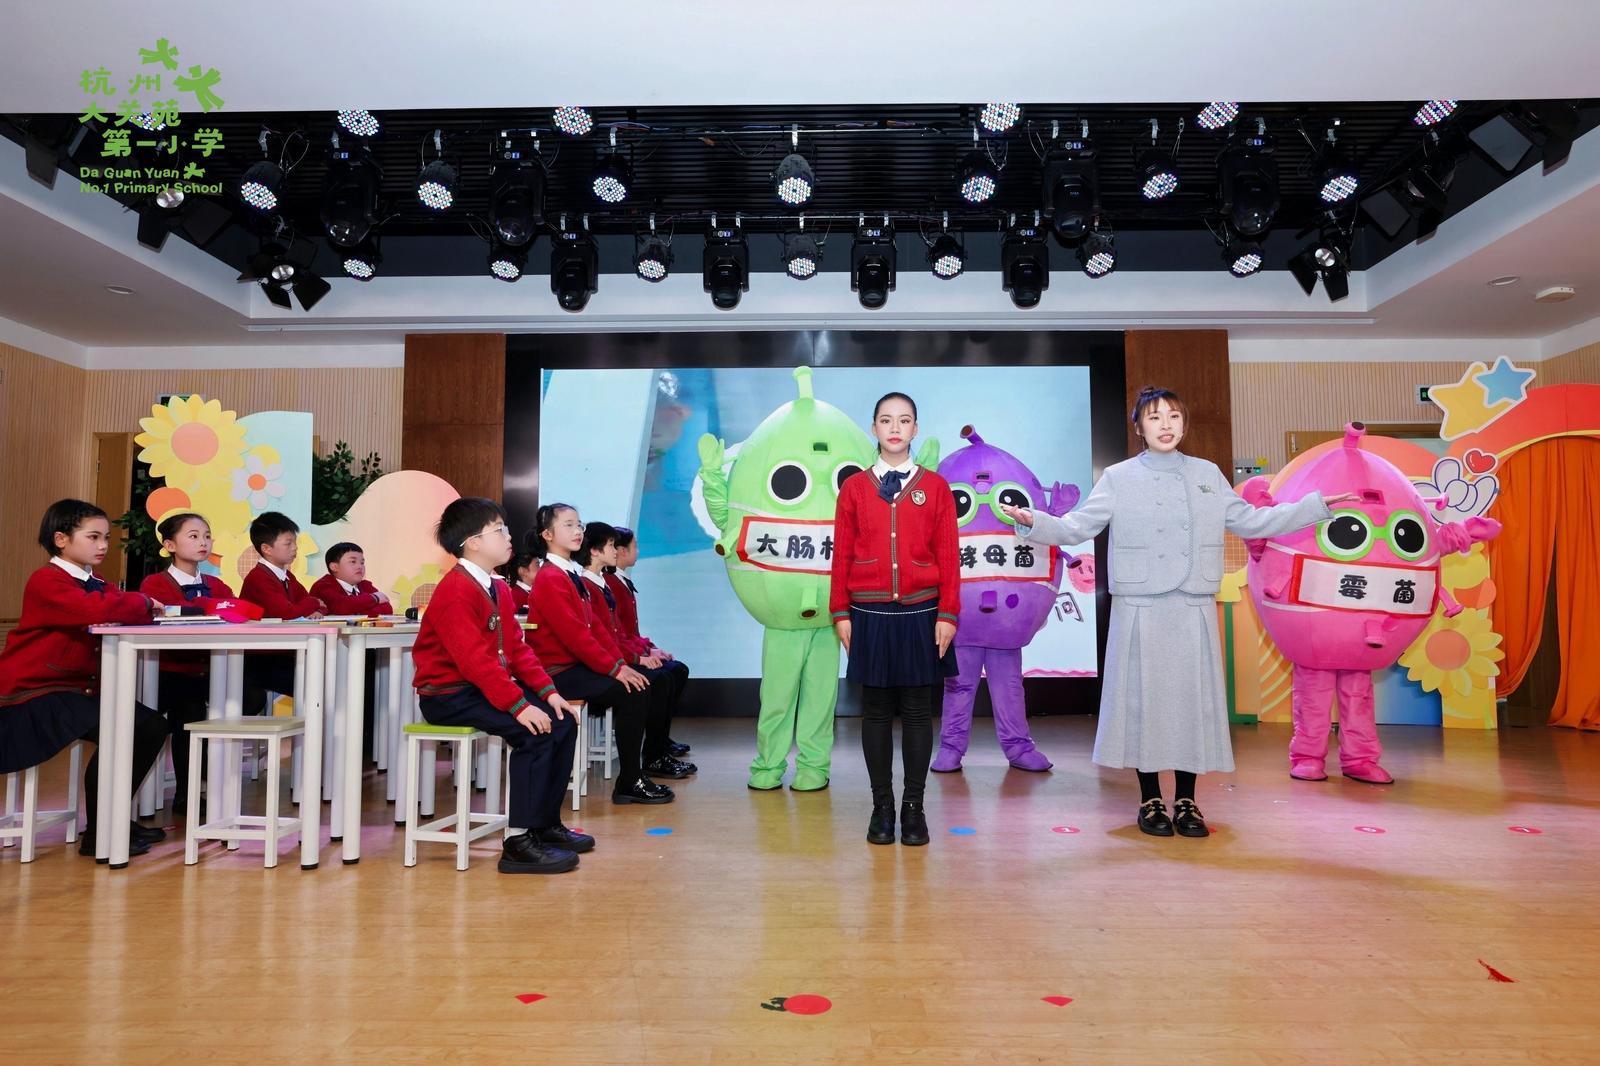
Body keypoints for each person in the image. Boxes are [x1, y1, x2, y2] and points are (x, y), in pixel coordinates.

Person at [1003, 386, 1355, 838]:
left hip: (1192, 604)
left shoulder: (1206, 473)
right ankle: (1149, 799)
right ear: (1139, 427)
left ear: (1184, 425)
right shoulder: (1118, 477)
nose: (1165, 425)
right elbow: (1077, 527)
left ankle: (1187, 800)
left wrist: (1315, 507)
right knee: (1142, 704)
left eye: (1173, 416)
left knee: (1192, 704)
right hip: (1139, 605)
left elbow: (1252, 521)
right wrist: (1034, 521)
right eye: (1154, 417)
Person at [411, 497, 589, 874]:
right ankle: (518, 841)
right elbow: (474, 661)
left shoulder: (497, 587)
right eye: (499, 530)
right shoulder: (456, 590)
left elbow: (519, 651)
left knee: (562, 720)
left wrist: (549, 694)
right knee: (534, 732)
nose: (509, 537)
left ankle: (544, 824)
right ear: (473, 542)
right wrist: (520, 706)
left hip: (477, 688)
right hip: (448, 695)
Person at [0, 499, 168, 859]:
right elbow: (100, 608)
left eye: (106, 537)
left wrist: (135, 604)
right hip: (34, 694)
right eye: (93, 537)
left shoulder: (94, 580)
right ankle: (100, 832)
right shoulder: (47, 580)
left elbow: (118, 603)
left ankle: (112, 819)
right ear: (61, 539)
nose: (103, 545)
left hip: (75, 690)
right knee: (128, 728)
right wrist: (141, 602)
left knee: (150, 725)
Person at [830, 392, 960, 847]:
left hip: (923, 613)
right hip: (868, 613)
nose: (895, 428)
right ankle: (881, 807)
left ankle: (914, 808)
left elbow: (949, 555)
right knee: (876, 713)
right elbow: (841, 555)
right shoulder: (854, 488)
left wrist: (948, 613)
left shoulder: (936, 487)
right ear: (874, 428)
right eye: (886, 420)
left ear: (915, 429)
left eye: (904, 421)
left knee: (919, 713)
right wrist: (840, 611)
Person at [526, 503, 669, 805]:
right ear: (547, 534)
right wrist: (617, 669)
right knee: (634, 690)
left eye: (579, 524)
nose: (577, 530)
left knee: (637, 684)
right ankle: (630, 780)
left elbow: (597, 631)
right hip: (557, 673)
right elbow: (576, 636)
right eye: (568, 525)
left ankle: (632, 777)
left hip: (574, 666)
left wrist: (620, 664)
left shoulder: (569, 574)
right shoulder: (552, 577)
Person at [138, 512, 261, 812]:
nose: (203, 542)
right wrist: (206, 609)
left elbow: (237, 611)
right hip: (169, 670)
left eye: (207, 536)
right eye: (193, 536)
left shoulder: (216, 584)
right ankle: (188, 793)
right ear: (169, 545)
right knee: (189, 709)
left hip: (210, 670)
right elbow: (162, 615)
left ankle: (217, 778)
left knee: (251, 696)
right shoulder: (155, 583)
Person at [578, 522, 692, 778]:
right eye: (611, 545)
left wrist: (646, 650)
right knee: (658, 679)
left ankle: (656, 748)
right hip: (604, 663)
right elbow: (603, 638)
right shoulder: (591, 585)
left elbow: (620, 633)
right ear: (595, 550)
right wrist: (637, 658)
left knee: (669, 673)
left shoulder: (602, 583)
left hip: (616, 656)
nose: (616, 550)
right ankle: (651, 756)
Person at [605, 526, 691, 759]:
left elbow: (628, 632)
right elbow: (617, 634)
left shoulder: (619, 581)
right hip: (620, 656)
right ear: (621, 551)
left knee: (677, 670)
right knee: (664, 677)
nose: (638, 551)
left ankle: (660, 740)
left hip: (629, 649)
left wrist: (650, 648)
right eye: (635, 546)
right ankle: (655, 748)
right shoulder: (610, 583)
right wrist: (642, 655)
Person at [309, 542, 392, 615]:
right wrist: (374, 598)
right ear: (334, 567)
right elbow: (341, 606)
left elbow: (387, 609)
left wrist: (355, 609)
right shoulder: (323, 586)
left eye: (362, 563)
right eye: (353, 562)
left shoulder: (366, 585)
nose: (360, 566)